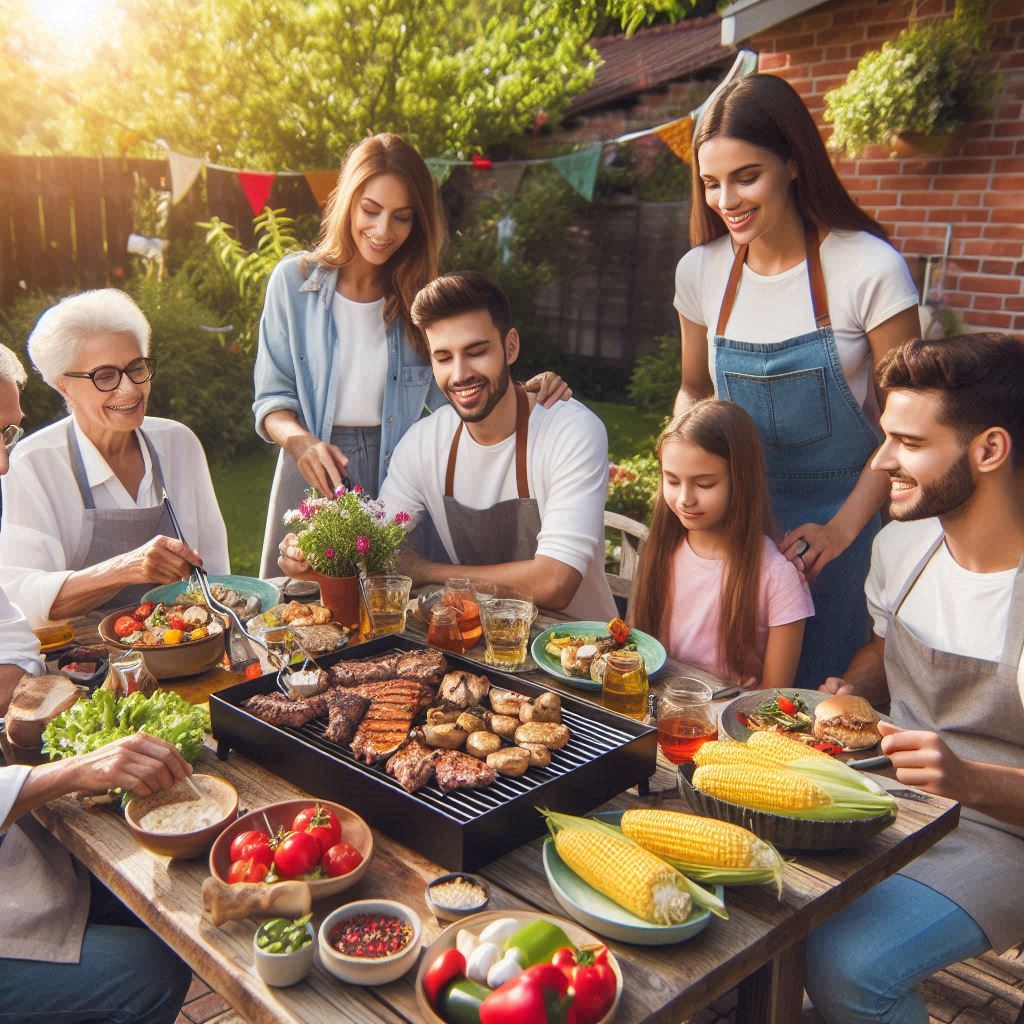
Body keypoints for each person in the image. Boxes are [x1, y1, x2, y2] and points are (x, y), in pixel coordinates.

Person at [673, 73, 921, 687]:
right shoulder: (700, 271)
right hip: (736, 526)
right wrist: (683, 467)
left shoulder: (869, 268)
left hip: (849, 527)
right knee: (725, 707)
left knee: (822, 710)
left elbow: (910, 431)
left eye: (745, 176)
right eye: (710, 182)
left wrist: (839, 532)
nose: (725, 199)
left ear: (792, 163)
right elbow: (694, 390)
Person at [804, 333, 1024, 1024]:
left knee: (849, 966)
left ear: (989, 450)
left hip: (1007, 832)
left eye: (908, 442)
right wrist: (854, 692)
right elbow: (883, 647)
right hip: (899, 795)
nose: (882, 462)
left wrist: (968, 779)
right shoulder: (901, 546)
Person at [254, 132, 570, 578]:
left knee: (391, 613)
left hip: (396, 470)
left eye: (402, 217)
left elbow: (458, 394)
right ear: (348, 201)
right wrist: (299, 441)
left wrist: (522, 395)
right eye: (371, 210)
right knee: (299, 613)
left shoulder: (419, 298)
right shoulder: (293, 282)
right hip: (312, 469)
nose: (384, 231)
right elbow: (271, 399)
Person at [0, 342, 192, 1023]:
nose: (3, 460)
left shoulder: (174, 446)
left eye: (8, 433)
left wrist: (22, 698)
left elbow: (14, 643)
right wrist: (71, 771)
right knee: (153, 968)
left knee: (168, 897)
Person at [279, 271, 617, 619]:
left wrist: (425, 571)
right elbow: (375, 545)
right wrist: (317, 555)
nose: (459, 374)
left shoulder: (571, 433)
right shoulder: (424, 444)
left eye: (476, 351)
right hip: (477, 644)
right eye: (443, 357)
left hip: (579, 653)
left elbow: (554, 583)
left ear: (510, 346)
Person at [0, 290, 229, 627]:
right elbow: (21, 598)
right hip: (83, 664)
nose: (131, 389)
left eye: (136, 368)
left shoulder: (180, 444)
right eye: (105, 376)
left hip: (188, 645)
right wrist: (123, 569)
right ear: (64, 386)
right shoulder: (34, 464)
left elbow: (218, 576)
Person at [629, 400, 812, 688]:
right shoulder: (660, 552)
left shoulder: (778, 576)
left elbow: (773, 696)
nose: (685, 498)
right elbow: (636, 652)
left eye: (704, 484)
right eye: (672, 481)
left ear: (741, 480)